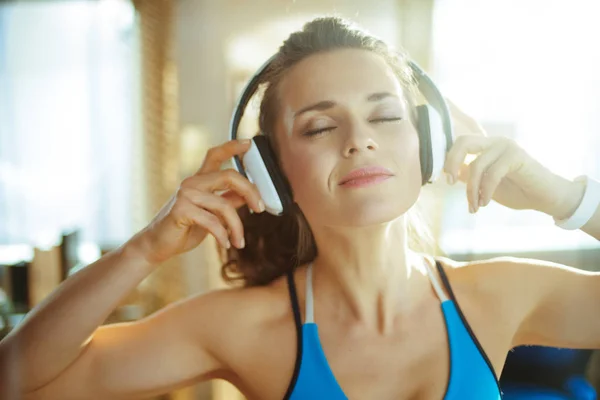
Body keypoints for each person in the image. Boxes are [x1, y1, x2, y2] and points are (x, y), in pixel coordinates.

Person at [1, 16, 599, 400]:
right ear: (271, 172)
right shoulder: (241, 328)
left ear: (428, 142)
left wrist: (565, 198)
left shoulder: (497, 295)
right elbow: (15, 380)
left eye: (385, 115)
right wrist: (145, 248)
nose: (358, 139)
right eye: (318, 127)